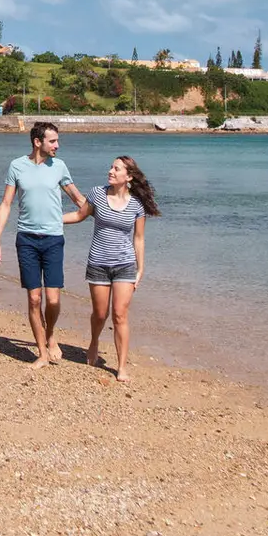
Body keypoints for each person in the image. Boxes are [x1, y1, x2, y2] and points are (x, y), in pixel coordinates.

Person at [0, 121, 86, 368]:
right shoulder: (16, 166)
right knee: (34, 299)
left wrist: (109, 213)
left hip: (54, 240)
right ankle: (42, 353)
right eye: (53, 141)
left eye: (57, 140)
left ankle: (50, 333)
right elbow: (6, 204)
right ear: (37, 142)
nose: (57, 145)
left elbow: (78, 200)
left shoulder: (60, 166)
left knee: (52, 300)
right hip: (26, 240)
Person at [63, 155, 160, 382]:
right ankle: (94, 341)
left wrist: (140, 269)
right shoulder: (97, 193)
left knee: (119, 315)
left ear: (129, 176)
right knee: (100, 313)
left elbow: (139, 239)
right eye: (111, 167)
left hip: (125, 265)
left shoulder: (137, 205)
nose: (111, 171)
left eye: (116, 169)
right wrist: (52, 220)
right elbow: (79, 215)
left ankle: (122, 366)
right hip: (98, 263)